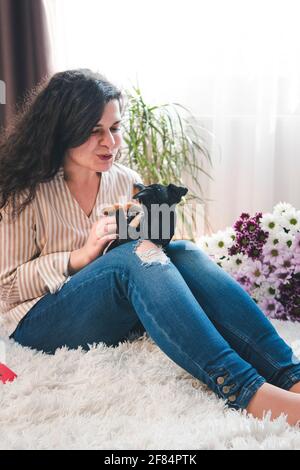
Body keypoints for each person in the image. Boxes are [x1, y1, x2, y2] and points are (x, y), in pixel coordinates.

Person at [1, 69, 300, 426]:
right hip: (36, 321)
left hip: (109, 310)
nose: (109, 142)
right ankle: (244, 389)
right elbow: (6, 287)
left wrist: (157, 227)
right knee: (130, 259)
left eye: (114, 128)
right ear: (62, 131)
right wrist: (80, 257)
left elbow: (150, 255)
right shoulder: (24, 192)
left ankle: (289, 375)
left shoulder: (125, 180)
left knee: (184, 251)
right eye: (94, 131)